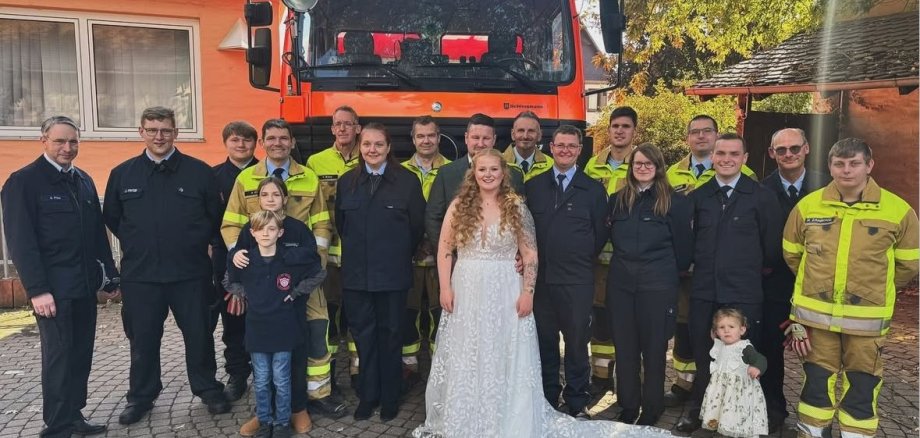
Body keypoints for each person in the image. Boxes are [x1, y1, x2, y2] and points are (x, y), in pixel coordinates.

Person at [413, 149, 670, 437]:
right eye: (482, 169)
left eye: (494, 170)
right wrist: (445, 288)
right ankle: (467, 413)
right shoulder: (459, 206)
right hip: (467, 289)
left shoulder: (516, 207)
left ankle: (505, 413)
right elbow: (445, 249)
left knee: (503, 351)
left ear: (503, 173)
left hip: (505, 290)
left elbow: (530, 254)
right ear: (473, 173)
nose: (488, 175)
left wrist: (528, 292)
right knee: (469, 351)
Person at [783, 138, 918, 438]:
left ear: (869, 166)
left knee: (863, 381)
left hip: (866, 321)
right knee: (816, 378)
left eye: (854, 163)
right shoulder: (808, 206)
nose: (846, 170)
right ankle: (812, 430)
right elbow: (793, 254)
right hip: (817, 319)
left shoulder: (898, 210)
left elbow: (909, 264)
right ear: (830, 167)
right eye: (839, 164)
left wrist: (876, 289)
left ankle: (855, 434)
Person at [103, 106, 230, 425]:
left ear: (176, 133)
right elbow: (113, 219)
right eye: (152, 130)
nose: (159, 136)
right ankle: (141, 397)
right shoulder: (123, 174)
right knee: (142, 340)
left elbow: (215, 217)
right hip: (141, 275)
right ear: (141, 132)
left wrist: (190, 243)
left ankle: (208, 389)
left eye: (165, 130)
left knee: (199, 335)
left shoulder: (200, 172)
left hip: (190, 273)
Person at [222, 119, 345, 431]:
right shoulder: (246, 179)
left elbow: (321, 222)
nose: (277, 143)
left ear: (292, 142)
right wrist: (239, 259)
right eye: (271, 138)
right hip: (263, 280)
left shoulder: (309, 177)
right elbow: (233, 223)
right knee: (265, 349)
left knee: (314, 333)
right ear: (263, 142)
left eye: (283, 138)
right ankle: (266, 412)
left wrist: (314, 264)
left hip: (302, 278)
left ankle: (307, 402)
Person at [1, 116, 119, 437]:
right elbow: (21, 242)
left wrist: (109, 275)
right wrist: (37, 290)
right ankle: (56, 425)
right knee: (59, 356)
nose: (67, 147)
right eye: (59, 141)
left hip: (83, 286)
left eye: (73, 141)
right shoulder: (23, 182)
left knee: (80, 353)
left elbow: (97, 235)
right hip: (53, 291)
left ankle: (73, 414)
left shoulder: (83, 181)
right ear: (43, 141)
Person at [675, 133, 783, 433]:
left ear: (744, 158)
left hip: (743, 293)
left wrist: (748, 270)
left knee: (741, 360)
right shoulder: (699, 197)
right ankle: (700, 412)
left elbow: (771, 248)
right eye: (721, 153)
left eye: (734, 154)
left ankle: (740, 418)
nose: (726, 159)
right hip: (705, 291)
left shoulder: (761, 197)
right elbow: (688, 242)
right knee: (705, 356)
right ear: (712, 157)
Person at [664, 115, 759, 406]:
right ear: (687, 138)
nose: (701, 136)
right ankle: (685, 385)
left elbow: (761, 237)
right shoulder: (672, 173)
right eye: (695, 132)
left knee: (728, 335)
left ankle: (724, 401)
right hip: (690, 273)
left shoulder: (748, 177)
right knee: (687, 331)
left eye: (707, 131)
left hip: (730, 276)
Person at [335, 123, 426, 421]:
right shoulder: (347, 182)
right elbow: (341, 226)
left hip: (392, 275)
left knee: (391, 336)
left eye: (378, 144)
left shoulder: (407, 182)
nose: (372, 149)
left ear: (388, 147)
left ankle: (390, 397)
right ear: (360, 147)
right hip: (357, 277)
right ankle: (368, 396)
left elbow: (416, 227)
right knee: (364, 338)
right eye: (366, 144)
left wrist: (397, 254)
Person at [606, 144, 693, 426]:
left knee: (654, 349)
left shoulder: (675, 202)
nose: (642, 168)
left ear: (658, 167)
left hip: (657, 285)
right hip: (621, 284)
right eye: (637, 164)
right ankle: (628, 405)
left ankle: (652, 407)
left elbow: (684, 249)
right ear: (630, 168)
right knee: (625, 348)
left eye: (648, 164)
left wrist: (666, 274)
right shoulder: (617, 201)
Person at [525, 125, 607, 418]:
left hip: (577, 280)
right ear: (550, 147)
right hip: (542, 282)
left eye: (572, 146)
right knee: (545, 343)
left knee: (576, 344)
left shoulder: (593, 190)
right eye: (560, 145)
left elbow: (599, 235)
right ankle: (548, 399)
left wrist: (578, 256)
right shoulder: (533, 187)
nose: (565, 150)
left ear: (580, 150)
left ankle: (576, 401)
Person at [225, 209, 326, 438]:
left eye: (271, 229)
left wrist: (296, 292)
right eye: (260, 229)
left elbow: (318, 273)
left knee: (282, 379)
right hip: (257, 331)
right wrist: (247, 294)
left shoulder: (291, 259)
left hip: (283, 330)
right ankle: (264, 422)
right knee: (261, 380)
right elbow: (228, 280)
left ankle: (281, 423)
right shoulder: (246, 260)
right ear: (253, 233)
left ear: (280, 233)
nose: (266, 233)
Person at [759, 127, 829, 433]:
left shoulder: (827, 187)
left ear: (806, 149)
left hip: (817, 285)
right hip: (774, 285)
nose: (788, 154)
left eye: (794, 148)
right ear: (772, 153)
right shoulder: (761, 190)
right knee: (770, 351)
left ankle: (816, 418)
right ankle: (773, 409)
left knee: (818, 354)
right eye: (781, 150)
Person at [306, 105, 362, 390]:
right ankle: (327, 370)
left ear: (357, 128)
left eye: (348, 124)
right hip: (327, 256)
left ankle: (357, 370)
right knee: (328, 314)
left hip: (358, 255)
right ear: (332, 129)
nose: (342, 129)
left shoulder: (368, 157)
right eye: (338, 124)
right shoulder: (315, 162)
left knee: (356, 315)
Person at [583, 106, 638, 394]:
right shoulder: (592, 165)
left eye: (625, 126)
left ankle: (627, 381)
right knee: (600, 320)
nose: (619, 131)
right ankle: (601, 377)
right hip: (599, 259)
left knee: (628, 321)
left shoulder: (642, 163)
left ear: (634, 131)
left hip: (630, 258)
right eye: (615, 126)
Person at [210, 121, 259, 402]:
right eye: (235, 140)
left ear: (255, 143)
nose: (241, 145)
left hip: (264, 258)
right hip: (227, 258)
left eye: (247, 140)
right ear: (225, 143)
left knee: (263, 315)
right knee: (233, 318)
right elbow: (206, 216)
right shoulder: (212, 176)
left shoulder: (266, 173)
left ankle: (265, 370)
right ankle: (237, 373)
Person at [400, 116, 451, 385]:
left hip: (440, 256)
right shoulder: (398, 172)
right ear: (413, 139)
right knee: (408, 313)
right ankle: (409, 367)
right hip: (408, 257)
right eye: (420, 136)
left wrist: (434, 241)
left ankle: (439, 369)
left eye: (431, 135)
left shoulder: (452, 171)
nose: (426, 140)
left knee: (439, 313)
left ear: (439, 138)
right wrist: (413, 243)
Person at [425, 113, 525, 248]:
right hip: (457, 256)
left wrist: (517, 252)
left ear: (494, 140)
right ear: (466, 138)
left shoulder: (514, 175)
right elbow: (433, 218)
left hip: (503, 256)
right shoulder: (446, 173)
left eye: (486, 138)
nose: (480, 144)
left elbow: (521, 220)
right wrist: (447, 254)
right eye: (475, 137)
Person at [699, 309, 768, 437]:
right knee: (721, 410)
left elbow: (760, 359)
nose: (726, 330)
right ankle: (722, 430)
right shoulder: (719, 346)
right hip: (721, 389)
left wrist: (757, 368)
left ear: (742, 330)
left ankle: (736, 432)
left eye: (731, 327)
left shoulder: (744, 348)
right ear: (716, 332)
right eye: (722, 327)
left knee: (736, 414)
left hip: (739, 392)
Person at [503, 111, 553, 181]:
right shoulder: (498, 162)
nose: (525, 136)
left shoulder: (551, 165)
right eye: (521, 130)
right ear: (512, 134)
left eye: (531, 131)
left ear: (539, 135)